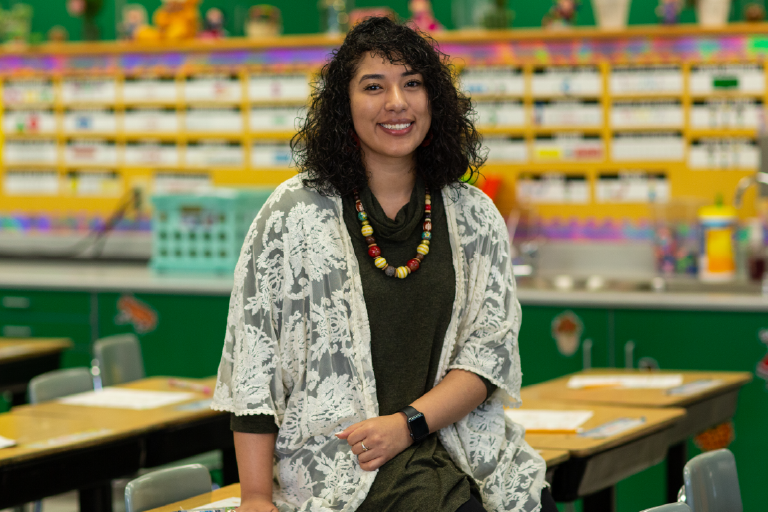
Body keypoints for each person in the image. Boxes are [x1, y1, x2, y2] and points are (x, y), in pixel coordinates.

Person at [211, 16, 557, 512]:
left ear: (433, 99)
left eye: (412, 84)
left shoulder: (474, 214)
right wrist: (256, 497)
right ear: (343, 105)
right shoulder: (291, 216)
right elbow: (254, 368)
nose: (397, 102)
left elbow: (487, 356)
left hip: (465, 449)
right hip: (350, 466)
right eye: (374, 86)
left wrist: (408, 424)